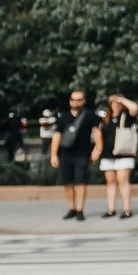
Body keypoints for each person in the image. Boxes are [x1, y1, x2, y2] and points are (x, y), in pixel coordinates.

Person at [49, 88, 97, 220]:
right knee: (67, 182)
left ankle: (80, 209)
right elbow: (57, 136)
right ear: (70, 101)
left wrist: (97, 149)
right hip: (66, 154)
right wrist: (53, 154)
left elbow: (96, 132)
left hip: (82, 153)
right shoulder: (63, 117)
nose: (76, 103)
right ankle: (72, 208)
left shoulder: (89, 115)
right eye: (73, 100)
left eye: (79, 100)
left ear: (84, 101)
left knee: (80, 182)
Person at [97, 93, 138, 219]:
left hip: (124, 153)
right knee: (110, 182)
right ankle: (111, 209)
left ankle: (127, 209)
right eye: (114, 103)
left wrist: (121, 99)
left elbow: (135, 108)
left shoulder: (126, 116)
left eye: (119, 104)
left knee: (123, 180)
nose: (116, 106)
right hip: (107, 154)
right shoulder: (105, 119)